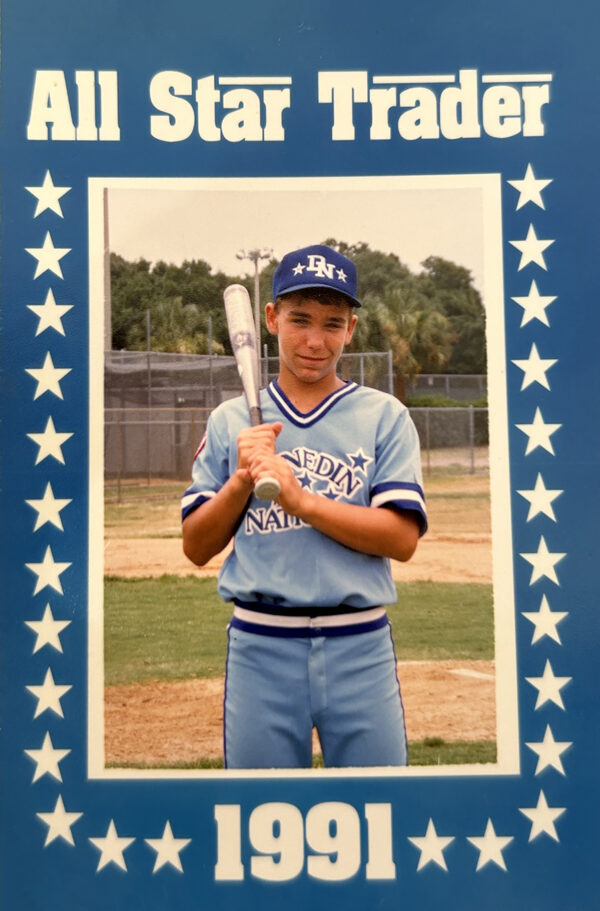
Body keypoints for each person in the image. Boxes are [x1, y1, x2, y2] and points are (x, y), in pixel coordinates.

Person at [181, 243, 427, 769]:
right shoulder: (231, 421)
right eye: (300, 320)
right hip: (260, 645)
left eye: (332, 324)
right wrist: (241, 481)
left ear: (351, 330)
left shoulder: (384, 416)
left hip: (360, 644)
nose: (316, 341)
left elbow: (402, 540)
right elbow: (197, 546)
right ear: (270, 319)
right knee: (259, 814)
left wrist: (301, 500)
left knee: (377, 809)